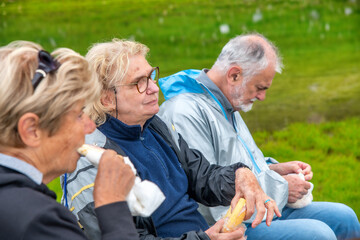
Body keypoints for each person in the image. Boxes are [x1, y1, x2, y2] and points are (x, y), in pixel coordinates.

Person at [62, 39, 281, 240]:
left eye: (151, 76)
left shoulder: (153, 125)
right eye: (139, 83)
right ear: (106, 98)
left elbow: (201, 177)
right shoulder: (92, 159)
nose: (154, 88)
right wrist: (205, 239)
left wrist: (240, 175)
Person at [158, 33, 360, 240]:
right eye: (260, 88)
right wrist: (282, 187)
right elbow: (207, 192)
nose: (262, 97)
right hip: (229, 225)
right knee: (320, 235)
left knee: (345, 217)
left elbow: (235, 165)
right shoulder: (184, 111)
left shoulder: (225, 100)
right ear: (234, 75)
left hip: (259, 207)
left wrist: (273, 168)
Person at [0, 41, 138, 240]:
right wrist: (113, 206)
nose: (90, 127)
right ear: (31, 130)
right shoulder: (39, 222)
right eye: (79, 114)